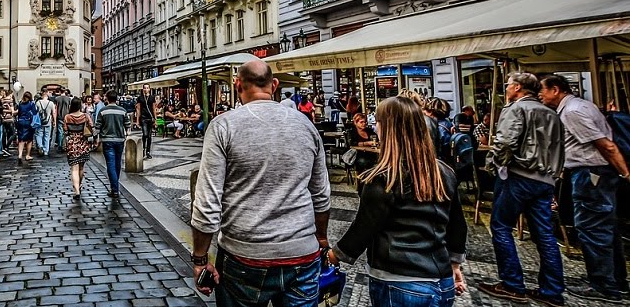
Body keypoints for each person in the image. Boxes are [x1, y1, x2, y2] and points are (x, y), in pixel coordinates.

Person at [192, 60, 331, 306]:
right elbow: (320, 195)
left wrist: (201, 259)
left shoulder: (223, 126)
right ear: (274, 85)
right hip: (301, 254)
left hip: (244, 254)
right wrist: (320, 237)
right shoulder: (306, 126)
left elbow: (207, 202)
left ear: (237, 85)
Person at [330, 96, 468, 307]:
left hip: (399, 281)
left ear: (387, 128)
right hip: (442, 279)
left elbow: (364, 228)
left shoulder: (383, 178)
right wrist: (455, 265)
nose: (375, 127)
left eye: (377, 122)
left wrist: (334, 255)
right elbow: (457, 224)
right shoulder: (443, 172)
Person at [478, 72, 566, 306]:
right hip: (545, 179)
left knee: (501, 226)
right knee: (544, 235)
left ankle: (512, 284)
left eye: (508, 86)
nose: (506, 89)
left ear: (517, 88)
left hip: (518, 175)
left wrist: (497, 164)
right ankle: (552, 291)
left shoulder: (516, 109)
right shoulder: (552, 113)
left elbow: (504, 142)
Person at [539, 75, 630, 302]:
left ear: (556, 90)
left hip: (591, 175)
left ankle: (604, 286)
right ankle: (616, 281)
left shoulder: (572, 111)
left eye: (543, 90)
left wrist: (625, 173)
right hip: (595, 174)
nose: (540, 95)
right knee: (605, 228)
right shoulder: (580, 106)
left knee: (592, 228)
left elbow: (606, 145)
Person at [96, 90, 131, 199]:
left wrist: (95, 138)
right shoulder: (123, 111)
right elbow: (128, 127)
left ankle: (114, 189)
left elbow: (97, 128)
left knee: (110, 163)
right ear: (116, 99)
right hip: (120, 140)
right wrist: (126, 134)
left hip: (107, 140)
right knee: (117, 162)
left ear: (107, 98)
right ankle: (115, 185)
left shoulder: (103, 111)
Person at [64, 97, 94, 198]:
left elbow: (65, 131)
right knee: (81, 167)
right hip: (83, 143)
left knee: (74, 168)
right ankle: (80, 185)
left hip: (72, 144)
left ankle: (76, 190)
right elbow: (91, 126)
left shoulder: (67, 117)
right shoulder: (85, 116)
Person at [135, 84, 158, 159]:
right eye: (144, 88)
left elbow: (154, 109)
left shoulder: (152, 98)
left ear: (149, 89)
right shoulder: (140, 98)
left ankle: (148, 151)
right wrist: (137, 121)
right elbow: (138, 109)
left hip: (150, 118)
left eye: (147, 88)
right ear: (143, 89)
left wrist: (155, 119)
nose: (146, 89)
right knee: (145, 134)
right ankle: (143, 149)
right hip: (143, 118)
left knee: (149, 135)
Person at [14, 91, 37, 163]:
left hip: (20, 122)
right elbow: (34, 113)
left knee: (21, 139)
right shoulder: (31, 104)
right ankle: (27, 155)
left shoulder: (20, 103)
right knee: (29, 139)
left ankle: (20, 155)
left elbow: (19, 113)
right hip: (28, 122)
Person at [35, 90, 56, 156]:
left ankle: (40, 146)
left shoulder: (38, 102)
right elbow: (53, 113)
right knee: (47, 136)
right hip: (48, 121)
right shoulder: (51, 103)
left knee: (39, 135)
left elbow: (35, 112)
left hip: (40, 122)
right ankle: (46, 150)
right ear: (46, 93)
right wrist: (54, 121)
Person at [54, 89, 73, 153]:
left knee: (60, 132)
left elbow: (55, 109)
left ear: (59, 91)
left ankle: (60, 146)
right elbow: (70, 108)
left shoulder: (57, 99)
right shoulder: (68, 99)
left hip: (59, 117)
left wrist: (54, 119)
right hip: (67, 117)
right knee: (67, 132)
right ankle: (66, 145)